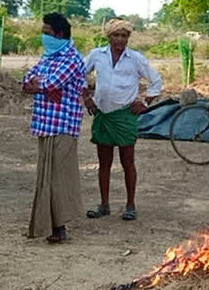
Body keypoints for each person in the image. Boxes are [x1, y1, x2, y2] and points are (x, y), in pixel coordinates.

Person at [83, 18, 163, 221]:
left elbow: (156, 81)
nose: (120, 39)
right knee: (104, 163)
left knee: (127, 161)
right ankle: (104, 204)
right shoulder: (97, 55)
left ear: (128, 38)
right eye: (116, 35)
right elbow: (78, 74)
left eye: (124, 36)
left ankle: (130, 205)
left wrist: (145, 102)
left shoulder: (135, 58)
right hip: (103, 114)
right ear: (108, 37)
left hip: (125, 115)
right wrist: (86, 98)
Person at [21, 12, 86, 243]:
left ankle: (59, 226)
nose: (43, 36)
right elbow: (27, 79)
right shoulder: (49, 57)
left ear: (59, 34)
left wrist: (39, 86)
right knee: (46, 177)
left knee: (59, 178)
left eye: (47, 32)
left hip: (63, 125)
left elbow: (51, 82)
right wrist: (37, 86)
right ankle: (49, 225)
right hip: (45, 124)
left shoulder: (72, 58)